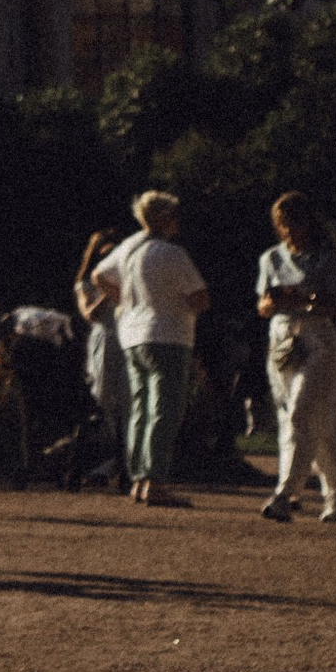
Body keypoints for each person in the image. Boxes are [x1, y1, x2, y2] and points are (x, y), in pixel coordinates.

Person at [86, 191, 209, 505]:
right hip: (169, 334)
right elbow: (199, 298)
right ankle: (155, 481)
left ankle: (139, 478)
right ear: (163, 218)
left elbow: (98, 274)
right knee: (165, 409)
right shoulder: (172, 253)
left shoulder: (129, 246)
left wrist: (125, 297)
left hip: (132, 334)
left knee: (140, 408)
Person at [254, 195, 336, 524]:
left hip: (318, 339)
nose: (288, 230)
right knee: (311, 422)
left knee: (300, 412)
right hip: (282, 338)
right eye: (282, 224)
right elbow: (262, 306)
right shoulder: (271, 257)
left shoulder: (327, 259)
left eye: (293, 223)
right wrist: (273, 302)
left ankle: (286, 494)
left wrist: (307, 299)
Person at [73, 229, 129, 488]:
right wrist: (106, 292)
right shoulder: (85, 284)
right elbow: (90, 315)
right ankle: (98, 462)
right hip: (104, 340)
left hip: (127, 339)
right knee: (103, 398)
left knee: (128, 402)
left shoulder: (126, 281)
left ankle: (122, 465)